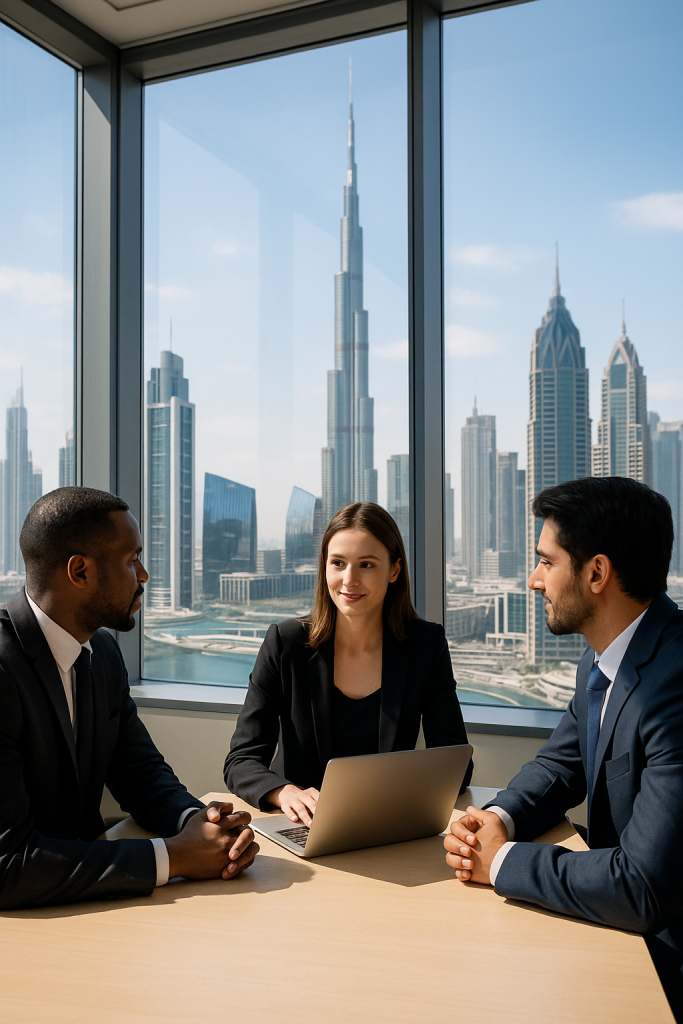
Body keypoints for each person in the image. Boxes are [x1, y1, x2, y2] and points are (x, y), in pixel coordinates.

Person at [443, 476, 683, 1019]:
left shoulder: (674, 687)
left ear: (597, 573)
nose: (534, 580)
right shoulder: (604, 656)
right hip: (619, 938)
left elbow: (642, 887)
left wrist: (499, 861)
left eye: (546, 562)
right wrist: (497, 819)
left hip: (664, 970)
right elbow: (561, 761)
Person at [0, 487, 259, 909]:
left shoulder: (101, 652)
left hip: (89, 903)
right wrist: (175, 856)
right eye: (131, 560)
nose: (144, 575)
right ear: (79, 571)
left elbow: (139, 771)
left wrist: (201, 823)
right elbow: (7, 864)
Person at [225, 502, 472, 825]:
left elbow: (456, 764)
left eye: (366, 565)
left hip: (385, 823)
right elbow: (241, 761)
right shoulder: (286, 644)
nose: (349, 580)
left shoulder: (426, 645)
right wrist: (286, 793)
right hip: (301, 825)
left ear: (394, 570)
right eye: (338, 563)